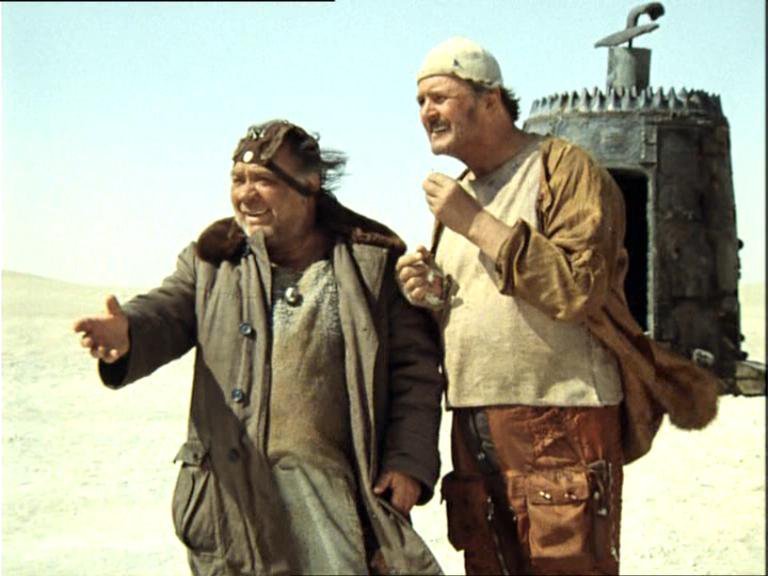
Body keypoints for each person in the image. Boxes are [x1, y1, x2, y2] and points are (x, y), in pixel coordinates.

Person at [396, 37, 721, 575]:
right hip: (474, 421)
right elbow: (484, 304)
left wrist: (472, 222)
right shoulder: (462, 191)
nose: (427, 112)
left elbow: (577, 288)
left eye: (439, 97)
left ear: (489, 99)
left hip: (560, 418)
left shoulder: (562, 169)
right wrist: (430, 293)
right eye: (420, 102)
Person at [73, 119, 445, 576]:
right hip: (237, 505)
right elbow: (166, 310)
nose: (246, 195)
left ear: (309, 185)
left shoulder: (370, 264)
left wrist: (407, 463)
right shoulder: (214, 262)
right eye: (238, 180)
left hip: (335, 503)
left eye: (263, 180)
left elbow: (415, 373)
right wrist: (128, 332)